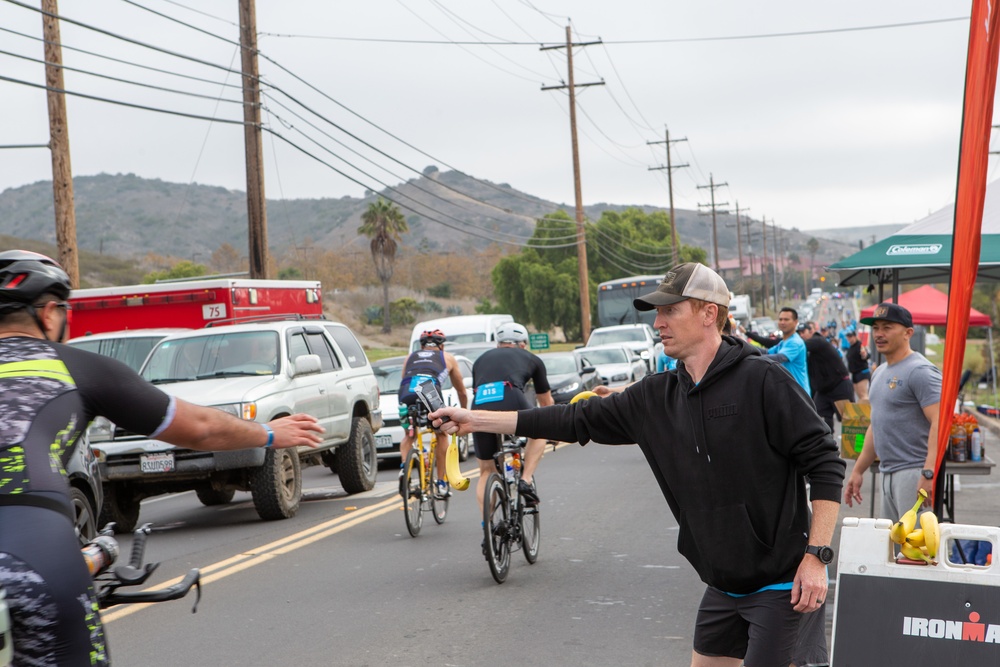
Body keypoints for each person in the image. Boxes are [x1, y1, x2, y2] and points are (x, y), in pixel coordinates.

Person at [432, 263, 844, 667]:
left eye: (670, 310)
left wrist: (816, 557)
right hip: (722, 585)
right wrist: (475, 419)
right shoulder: (656, 397)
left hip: (782, 583)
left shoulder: (763, 381)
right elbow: (572, 419)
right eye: (657, 312)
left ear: (708, 313)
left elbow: (825, 463)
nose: (658, 322)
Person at [0, 250, 324, 667]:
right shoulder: (76, 368)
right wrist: (268, 433)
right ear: (48, 313)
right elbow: (200, 427)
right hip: (36, 555)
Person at [844, 303, 942, 520]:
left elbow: (940, 421)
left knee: (916, 550)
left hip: (914, 471)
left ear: (908, 333)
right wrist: (858, 470)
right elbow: (876, 424)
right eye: (876, 328)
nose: (879, 334)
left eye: (887, 327)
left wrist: (928, 472)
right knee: (893, 549)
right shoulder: (879, 372)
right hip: (887, 473)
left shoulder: (920, 371)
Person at [470, 322, 552, 510]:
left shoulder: (481, 359)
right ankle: (525, 479)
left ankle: (488, 527)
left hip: (479, 402)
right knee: (541, 428)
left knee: (486, 471)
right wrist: (554, 432)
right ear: (523, 344)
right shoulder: (531, 358)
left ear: (498, 344)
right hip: (511, 395)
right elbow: (546, 404)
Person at [396, 329, 468, 497]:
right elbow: (462, 391)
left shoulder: (410, 357)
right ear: (441, 345)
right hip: (430, 391)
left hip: (406, 391)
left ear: (421, 346)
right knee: (442, 435)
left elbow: (403, 378)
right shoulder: (448, 357)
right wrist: (464, 411)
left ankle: (403, 470)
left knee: (409, 434)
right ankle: (442, 483)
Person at [799, 321, 854, 434]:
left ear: (812, 332)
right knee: (819, 418)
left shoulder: (818, 341)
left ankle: (858, 450)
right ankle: (829, 447)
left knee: (851, 423)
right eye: (798, 333)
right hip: (824, 390)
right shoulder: (810, 350)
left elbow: (796, 345)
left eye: (803, 332)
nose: (801, 335)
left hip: (840, 385)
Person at [745, 307, 811, 395]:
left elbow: (779, 358)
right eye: (780, 319)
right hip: (788, 391)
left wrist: (750, 357)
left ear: (795, 322)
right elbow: (767, 352)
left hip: (799, 394)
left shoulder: (796, 342)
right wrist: (744, 347)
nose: (782, 322)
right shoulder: (784, 342)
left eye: (786, 319)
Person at [844, 327, 870, 402]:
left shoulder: (859, 345)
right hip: (854, 373)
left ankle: (867, 412)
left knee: (863, 395)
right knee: (858, 396)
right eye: (848, 336)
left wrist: (864, 355)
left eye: (850, 336)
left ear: (854, 336)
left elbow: (867, 355)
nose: (849, 338)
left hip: (861, 372)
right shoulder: (850, 347)